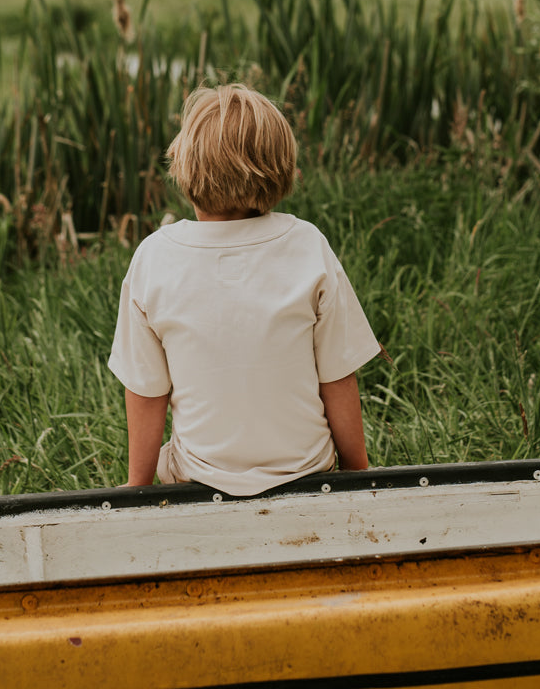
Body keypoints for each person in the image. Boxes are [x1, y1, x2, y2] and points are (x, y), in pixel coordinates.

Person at [108, 83, 381, 496]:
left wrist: (136, 486)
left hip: (199, 481)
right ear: (279, 167)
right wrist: (358, 475)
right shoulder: (306, 244)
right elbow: (338, 377)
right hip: (307, 474)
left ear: (185, 168)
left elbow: (147, 392)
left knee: (173, 456)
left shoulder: (155, 257)